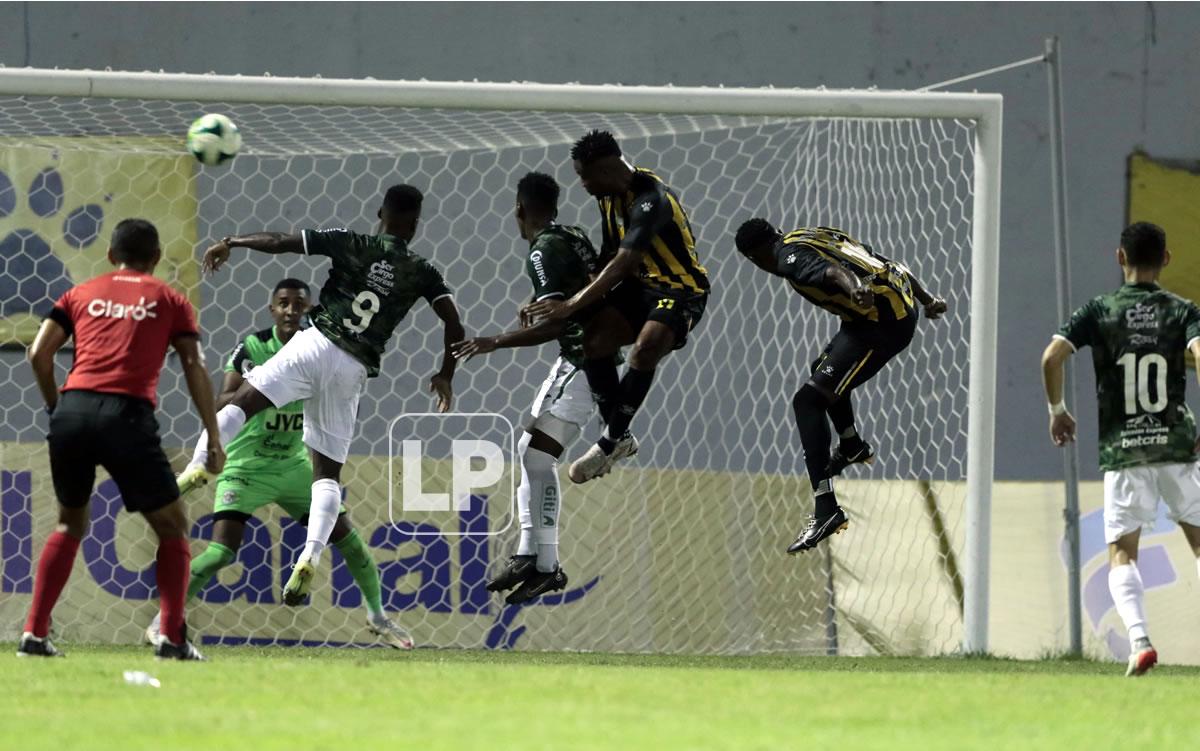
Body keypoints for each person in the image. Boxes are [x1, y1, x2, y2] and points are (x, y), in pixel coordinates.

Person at [178, 185, 465, 606]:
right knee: (327, 475)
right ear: (415, 225)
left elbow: (280, 243)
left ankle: (197, 467)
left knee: (241, 405)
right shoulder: (423, 271)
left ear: (380, 213)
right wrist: (445, 373)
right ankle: (310, 555)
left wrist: (233, 242)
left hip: (314, 344)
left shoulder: (353, 242)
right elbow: (454, 325)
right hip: (352, 368)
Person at [144, 278, 414, 649]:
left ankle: (378, 616)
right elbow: (224, 399)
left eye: (298, 304)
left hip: (292, 466)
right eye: (283, 303)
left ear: (309, 309)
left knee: (349, 539)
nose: (290, 310)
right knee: (222, 551)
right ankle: (163, 620)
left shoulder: (319, 348)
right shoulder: (254, 346)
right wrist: (269, 383)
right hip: (245, 464)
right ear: (272, 309)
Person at [18, 218, 222, 660]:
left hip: (72, 413)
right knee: (172, 526)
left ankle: (34, 634)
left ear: (111, 255)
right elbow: (193, 366)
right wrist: (213, 434)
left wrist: (57, 409)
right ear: (156, 257)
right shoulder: (170, 300)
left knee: (69, 523)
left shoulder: (79, 294)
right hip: (126, 415)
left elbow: (38, 354)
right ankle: (172, 637)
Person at [1041, 221, 1200, 677]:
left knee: (1123, 553)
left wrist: (1058, 409)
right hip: (1176, 445)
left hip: (1124, 450)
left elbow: (1052, 357)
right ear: (1166, 259)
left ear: (1120, 258)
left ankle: (1140, 642)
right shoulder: (1182, 310)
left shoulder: (1099, 310)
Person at [733, 220, 946, 553]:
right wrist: (927, 299)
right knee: (823, 373)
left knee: (807, 402)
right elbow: (887, 263)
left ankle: (826, 509)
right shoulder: (815, 233)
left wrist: (854, 287)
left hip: (881, 325)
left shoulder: (787, 257)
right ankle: (851, 445)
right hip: (885, 310)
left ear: (755, 257)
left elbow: (831, 273)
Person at [452, 171, 615, 603]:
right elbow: (577, 293)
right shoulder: (573, 234)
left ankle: (542, 560)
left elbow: (558, 318)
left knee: (534, 455)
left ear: (519, 208)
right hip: (583, 358)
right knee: (531, 453)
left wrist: (494, 341)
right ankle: (536, 559)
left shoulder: (541, 251)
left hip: (583, 361)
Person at [522, 130, 709, 484]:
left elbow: (624, 261)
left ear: (606, 170)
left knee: (645, 349)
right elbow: (609, 254)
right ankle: (619, 437)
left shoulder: (651, 199)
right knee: (595, 341)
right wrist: (551, 296)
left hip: (680, 289)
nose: (582, 184)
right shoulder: (608, 198)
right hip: (640, 290)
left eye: (584, 175)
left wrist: (574, 303)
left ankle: (608, 443)